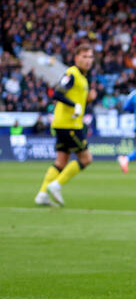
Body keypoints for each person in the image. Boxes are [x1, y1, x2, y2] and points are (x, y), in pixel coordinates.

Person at [35, 43, 97, 207]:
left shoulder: (82, 78)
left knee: (61, 161)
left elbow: (76, 100)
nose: (88, 60)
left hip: (64, 124)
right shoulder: (72, 74)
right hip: (69, 125)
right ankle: (56, 185)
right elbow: (57, 93)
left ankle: (42, 194)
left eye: (90, 57)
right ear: (76, 58)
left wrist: (87, 100)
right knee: (86, 158)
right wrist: (74, 105)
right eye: (84, 56)